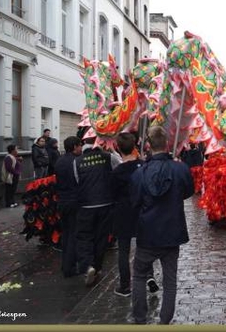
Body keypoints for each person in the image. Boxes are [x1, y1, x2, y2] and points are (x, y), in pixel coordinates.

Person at [130, 126, 194, 324]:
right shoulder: (180, 168)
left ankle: (140, 318)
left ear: (148, 145)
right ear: (166, 143)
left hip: (148, 233)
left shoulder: (139, 173)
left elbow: (135, 201)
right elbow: (188, 191)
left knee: (139, 275)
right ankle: (164, 321)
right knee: (170, 279)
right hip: (171, 232)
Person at [110, 133, 158, 297]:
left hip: (123, 212)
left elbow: (113, 194)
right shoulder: (144, 166)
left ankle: (125, 286)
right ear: (135, 146)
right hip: (142, 211)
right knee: (144, 246)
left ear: (118, 148)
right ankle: (149, 276)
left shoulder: (117, 172)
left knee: (123, 251)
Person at [74, 137, 115, 287]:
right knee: (101, 237)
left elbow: (78, 181)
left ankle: (87, 266)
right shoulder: (108, 157)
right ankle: (97, 267)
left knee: (84, 237)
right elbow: (119, 168)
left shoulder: (77, 161)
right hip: (106, 203)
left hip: (86, 205)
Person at [54, 136, 83, 277]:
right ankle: (70, 268)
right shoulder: (76, 161)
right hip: (74, 201)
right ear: (74, 147)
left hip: (62, 201)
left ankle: (65, 264)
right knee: (73, 234)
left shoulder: (60, 161)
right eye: (80, 146)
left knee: (66, 233)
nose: (81, 148)